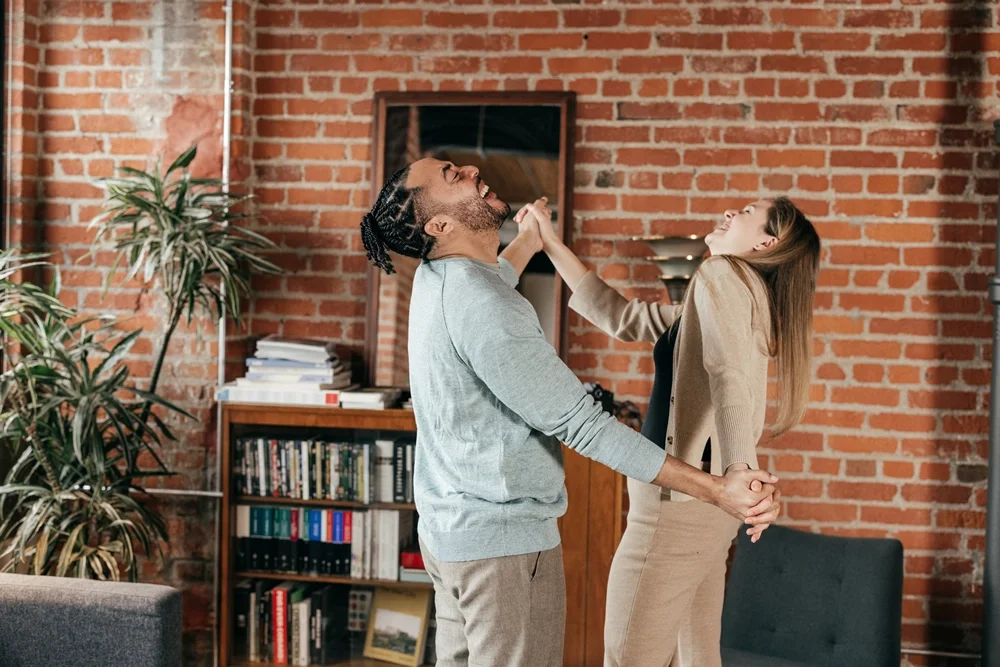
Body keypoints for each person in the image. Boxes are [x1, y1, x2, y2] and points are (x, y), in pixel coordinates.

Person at [360, 158, 781, 667]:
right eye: (451, 175)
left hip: (451, 538)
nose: (470, 168)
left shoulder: (439, 276)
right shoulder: (487, 304)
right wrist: (718, 486)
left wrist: (540, 242)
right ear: (440, 225)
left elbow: (503, 279)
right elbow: (581, 423)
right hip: (502, 549)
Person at [516, 195, 821, 666]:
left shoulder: (724, 276)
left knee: (629, 657)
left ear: (767, 242)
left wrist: (739, 468)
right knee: (697, 656)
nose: (729, 213)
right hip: (705, 504)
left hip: (677, 507)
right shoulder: (738, 294)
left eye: (744, 213)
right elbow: (623, 317)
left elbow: (729, 376)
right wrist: (550, 243)